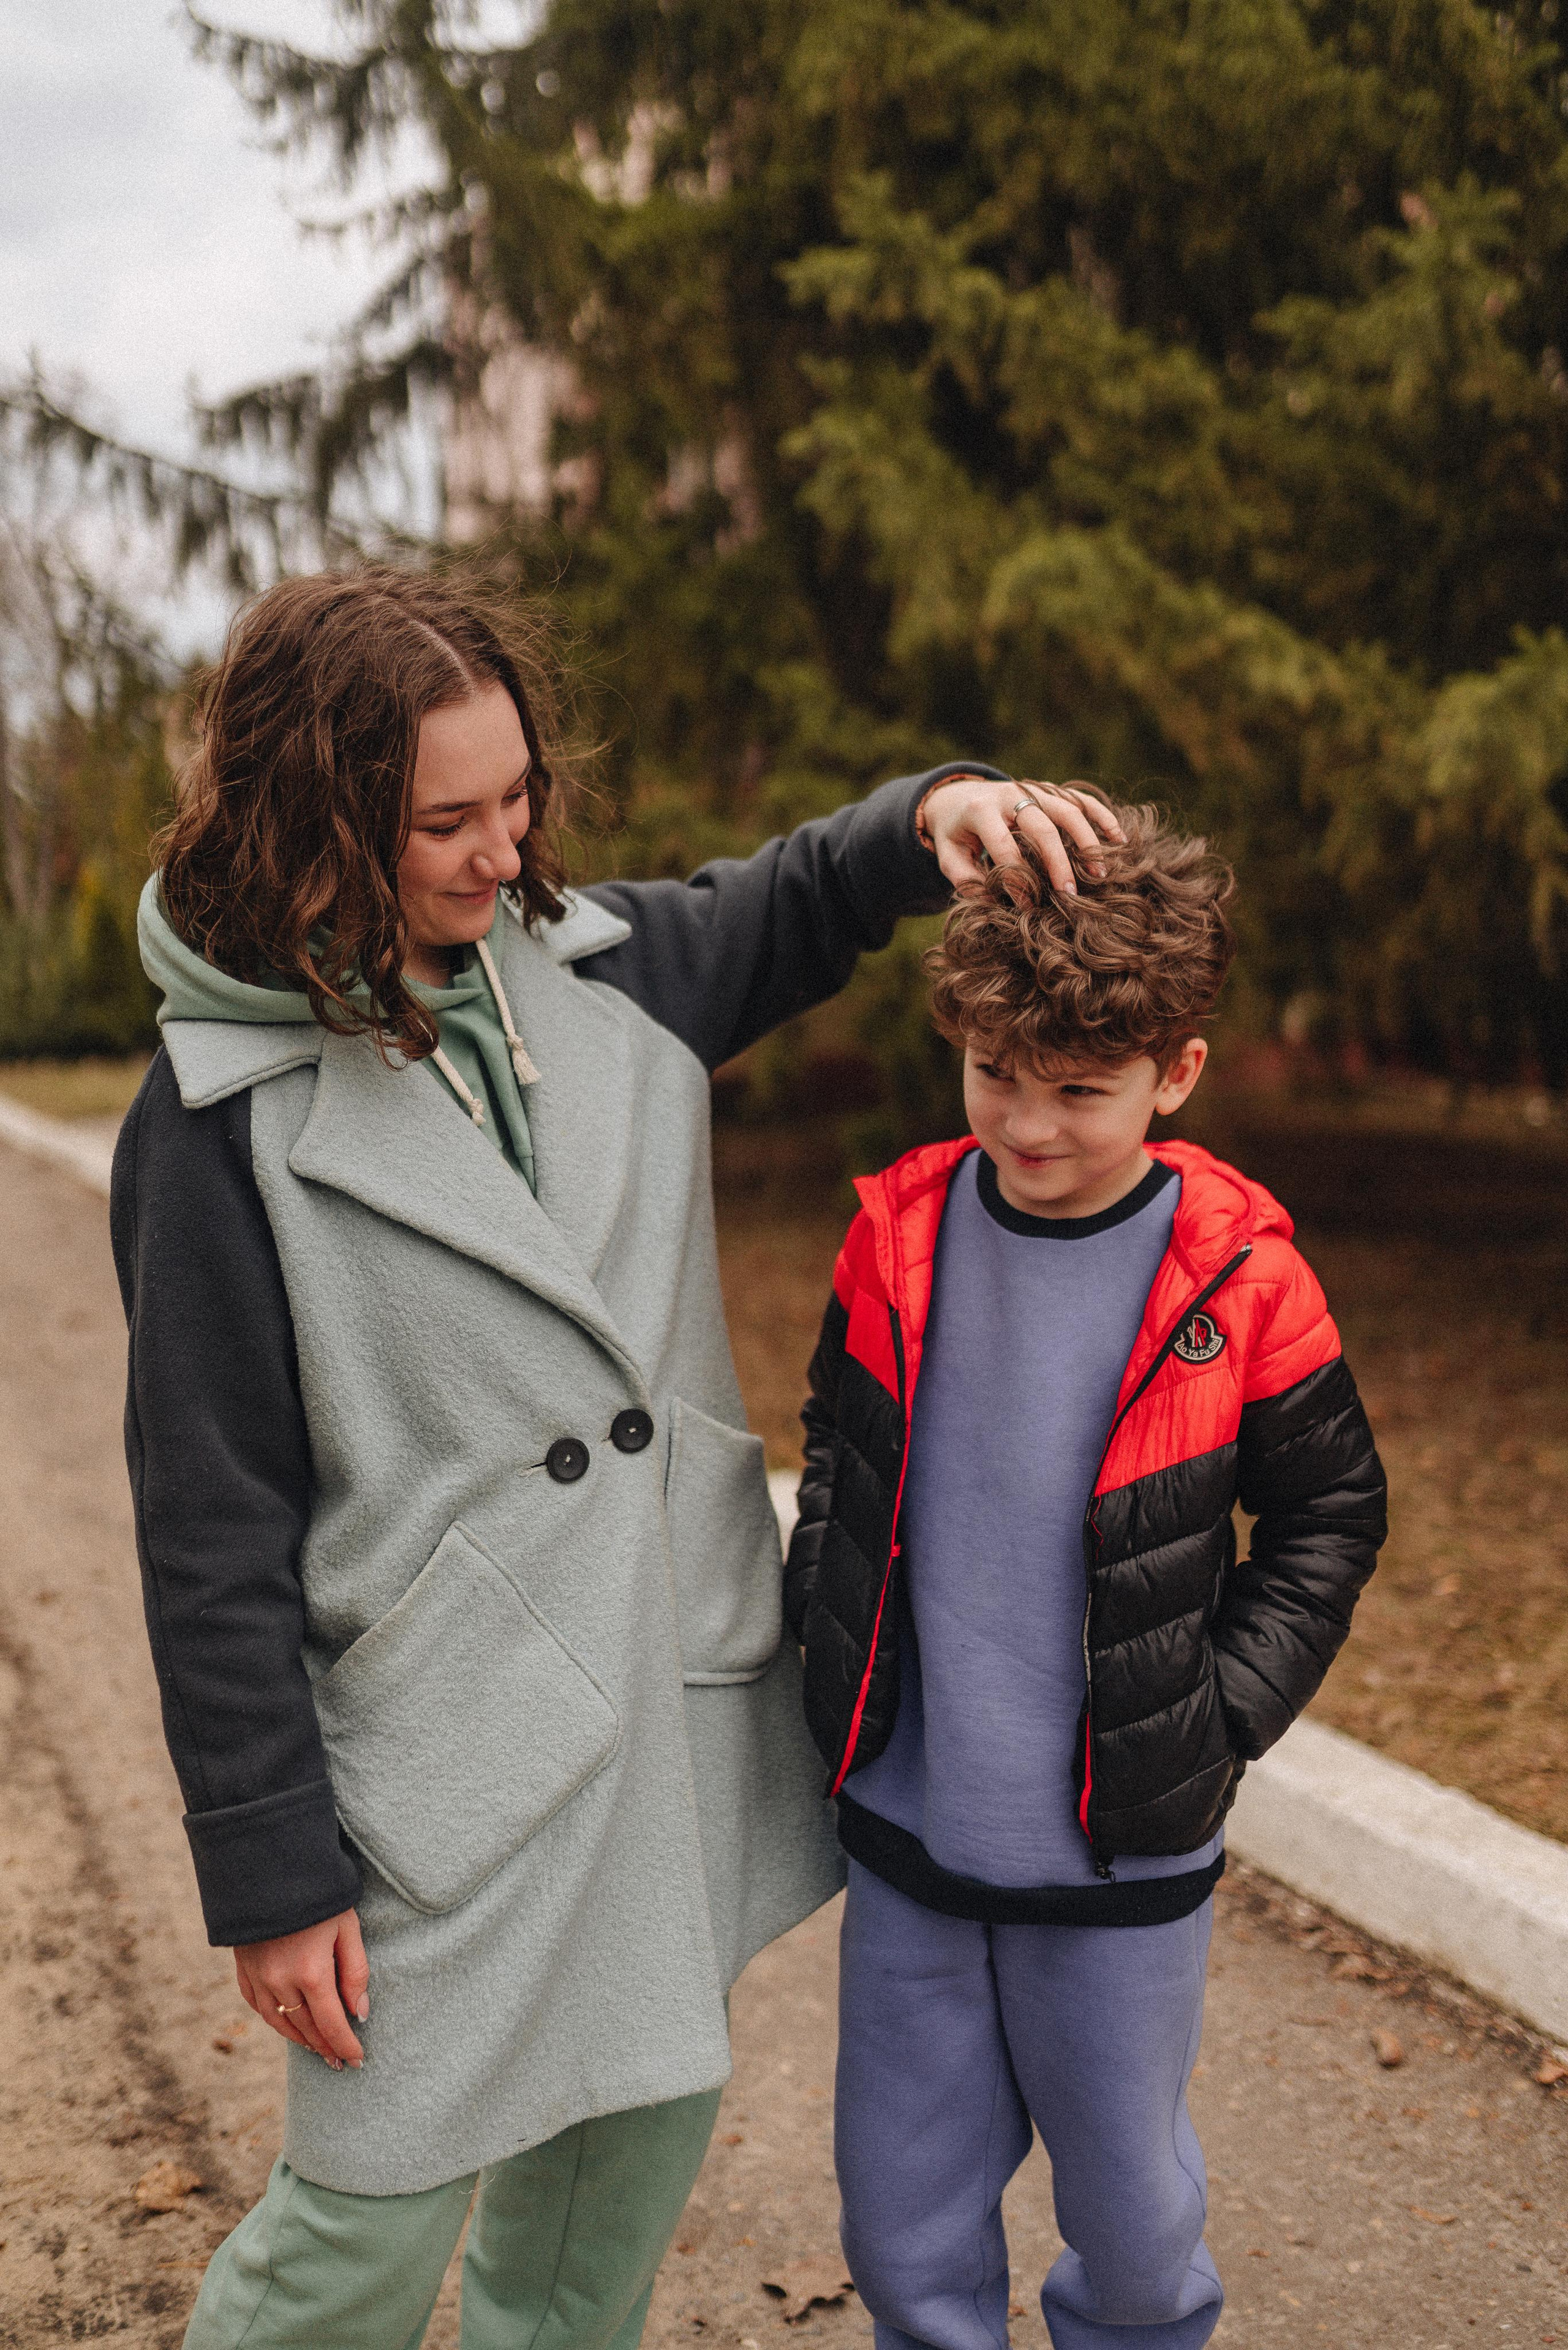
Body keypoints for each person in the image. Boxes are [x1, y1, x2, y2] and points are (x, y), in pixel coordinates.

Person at [109, 562, 1120, 2349]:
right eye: (445, 819)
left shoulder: (605, 976)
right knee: (357, 2238)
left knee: (603, 2219)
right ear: (318, 818)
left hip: (668, 1704)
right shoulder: (212, 1127)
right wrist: (271, 1871)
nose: (503, 850)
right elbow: (209, 1529)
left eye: (518, 800)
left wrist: (931, 817)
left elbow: (800, 896)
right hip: (439, 1769)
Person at [785, 797, 1389, 2350]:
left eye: (1079, 1089)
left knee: (1130, 2232)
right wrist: (820, 1637)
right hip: (911, 1836)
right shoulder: (895, 1234)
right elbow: (838, 1452)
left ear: (1174, 1072)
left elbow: (1328, 1516)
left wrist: (1213, 1711)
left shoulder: (1242, 1274)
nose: (1027, 1126)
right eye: (994, 1073)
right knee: (899, 2216)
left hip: (1121, 1865)